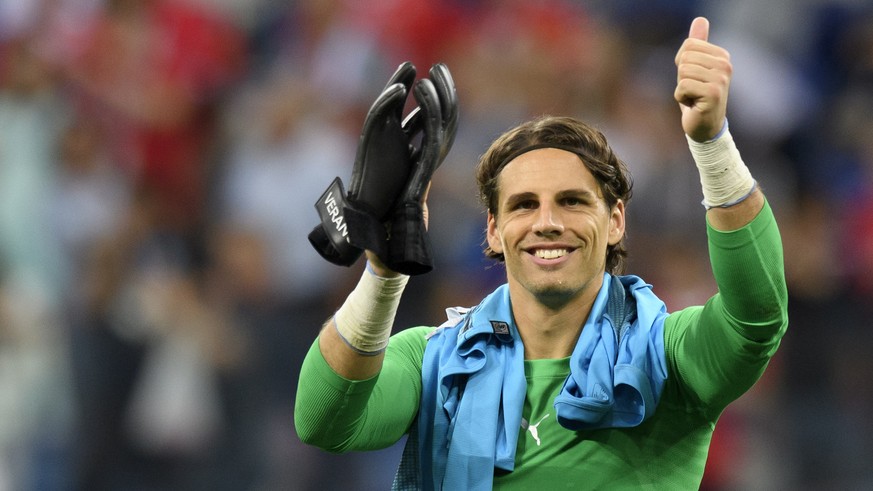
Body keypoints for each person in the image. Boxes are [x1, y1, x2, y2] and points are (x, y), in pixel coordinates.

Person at [294, 17, 788, 490]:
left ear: (615, 221)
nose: (547, 222)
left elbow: (756, 318)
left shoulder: (666, 355)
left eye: (572, 202)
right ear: (493, 230)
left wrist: (712, 144)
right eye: (523, 205)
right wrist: (383, 271)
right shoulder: (435, 360)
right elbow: (324, 420)